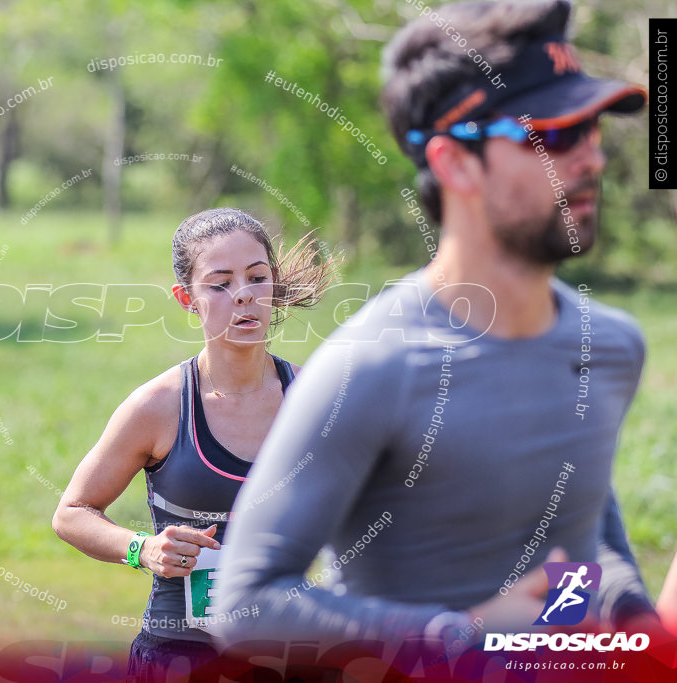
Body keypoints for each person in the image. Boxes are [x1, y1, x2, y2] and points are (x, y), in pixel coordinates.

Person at [216, 0, 662, 665]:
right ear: (455, 162)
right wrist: (465, 640)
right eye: (555, 135)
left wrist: (625, 631)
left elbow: (581, 542)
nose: (593, 159)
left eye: (593, 129)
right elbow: (247, 605)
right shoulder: (373, 368)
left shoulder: (613, 348)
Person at [52, 207, 335, 681]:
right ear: (188, 298)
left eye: (257, 277)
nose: (243, 295)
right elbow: (72, 513)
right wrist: (142, 548)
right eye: (219, 284)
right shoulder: (158, 407)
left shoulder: (317, 401)